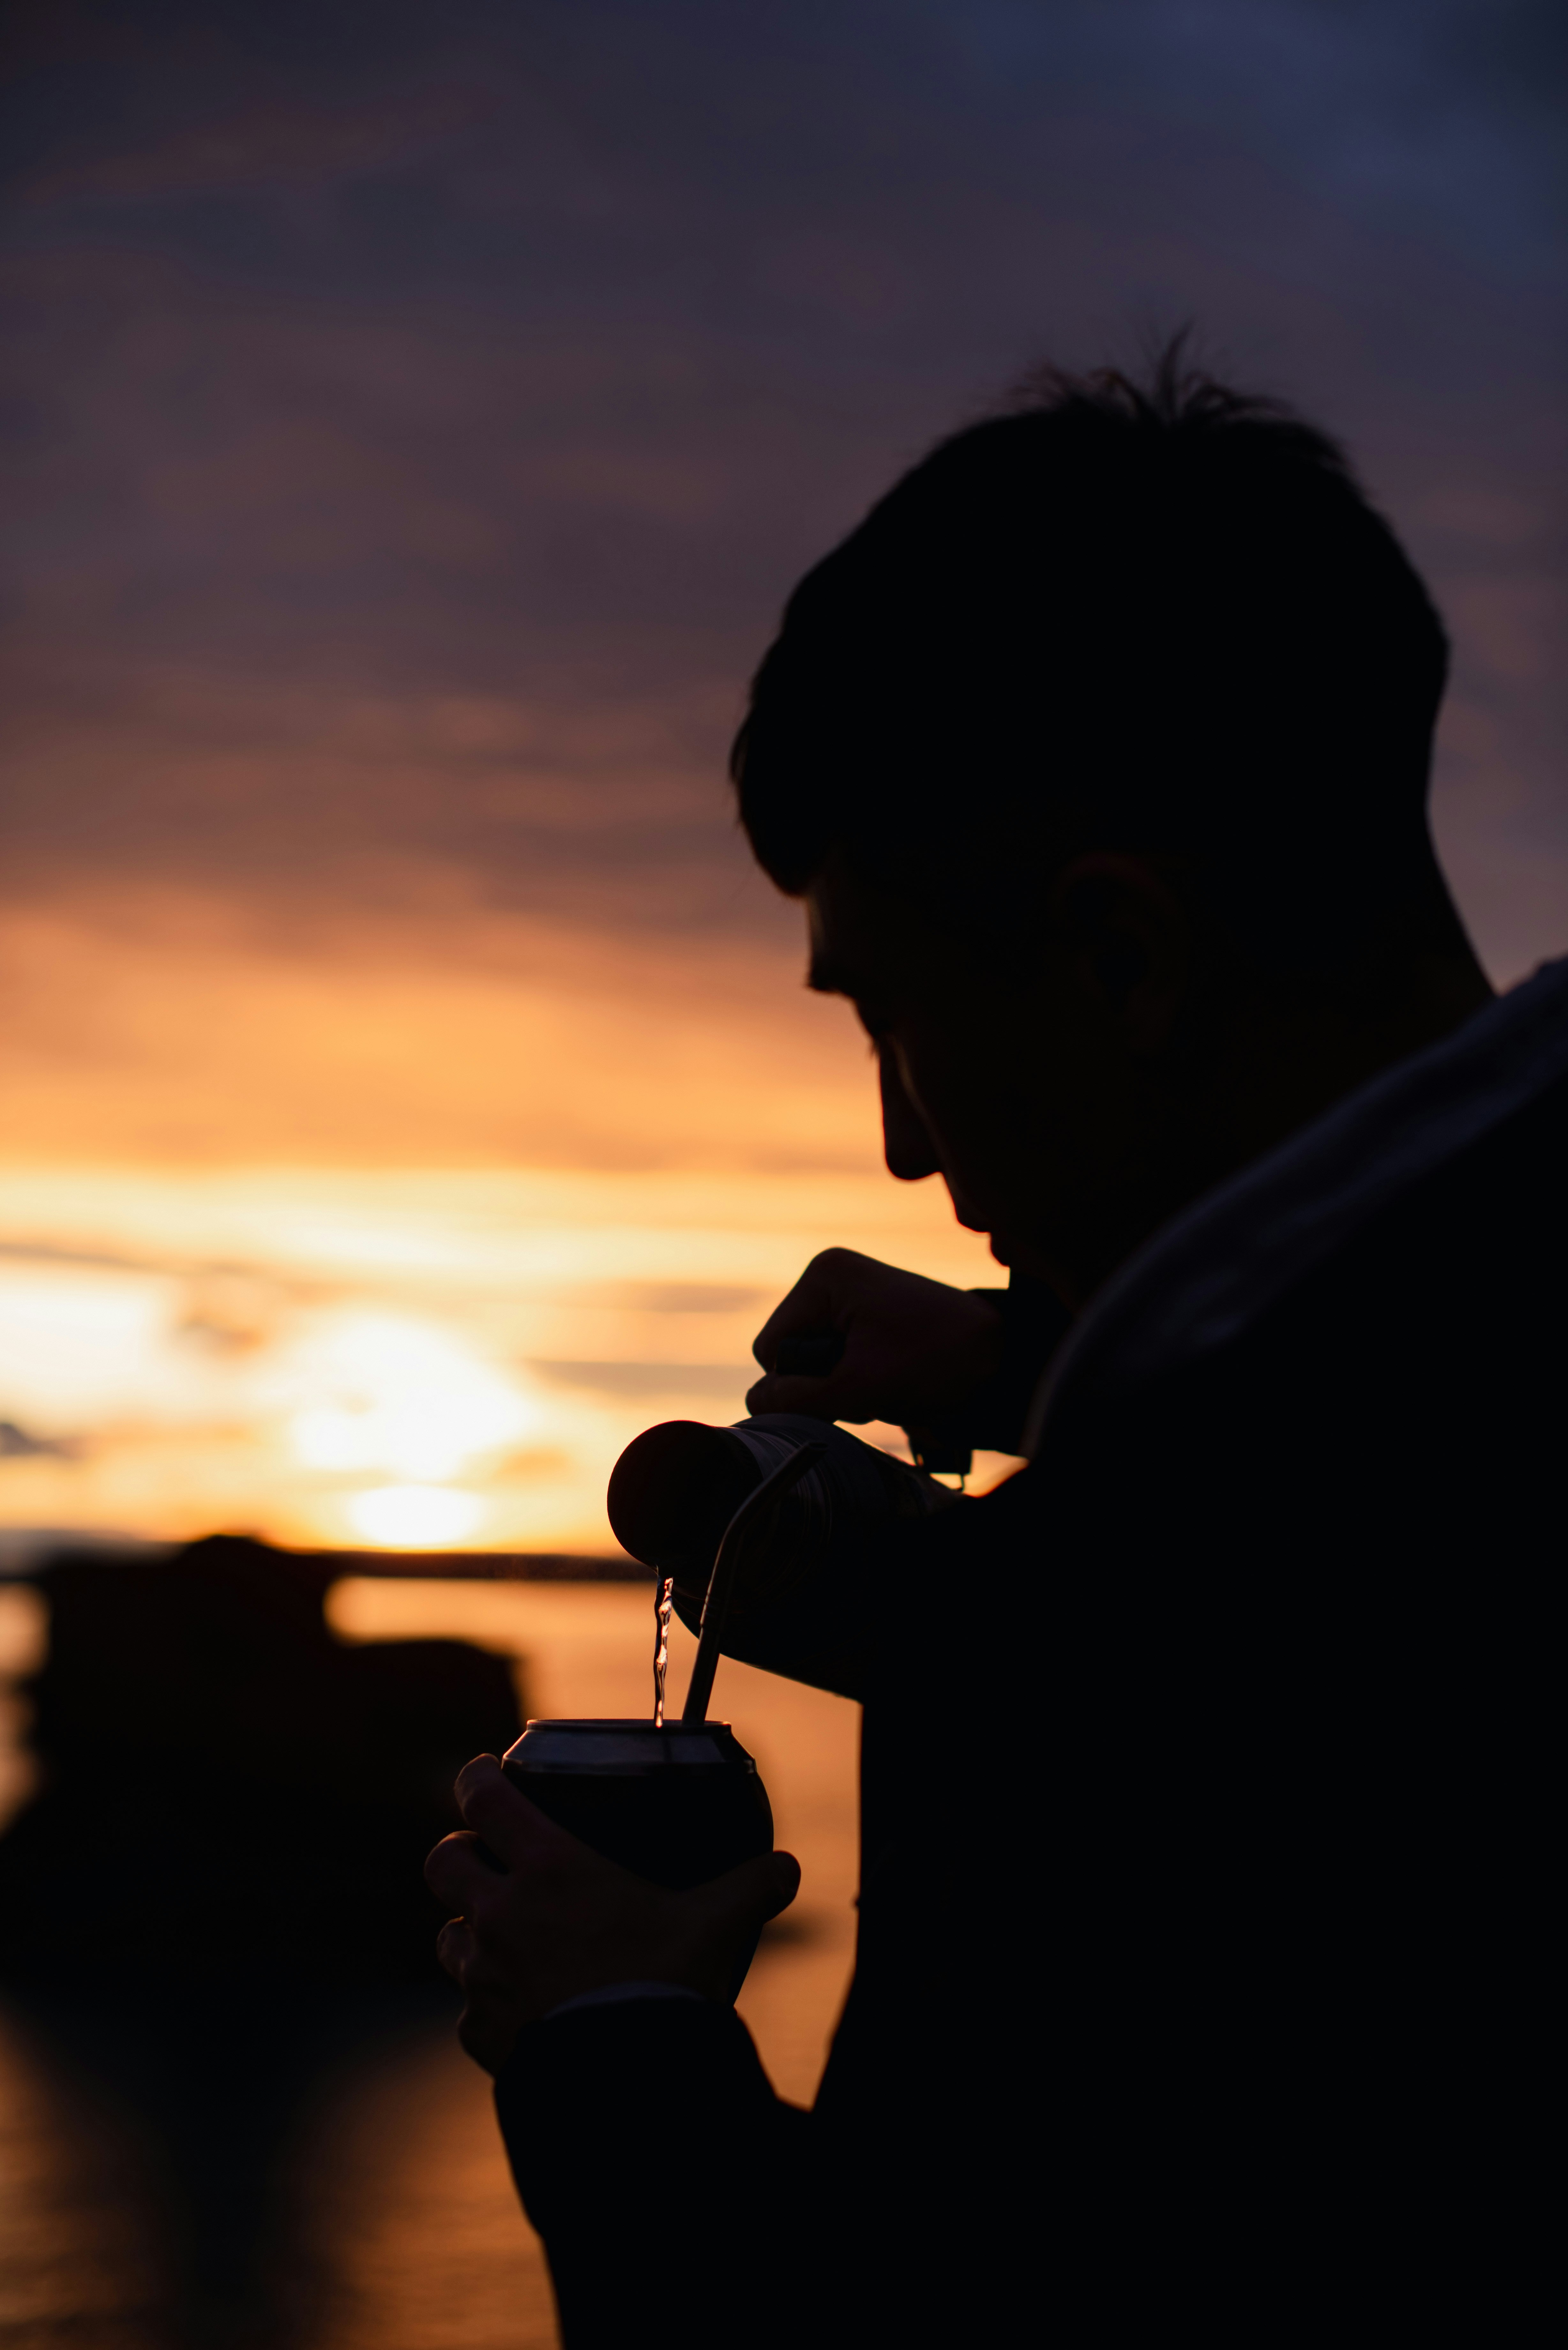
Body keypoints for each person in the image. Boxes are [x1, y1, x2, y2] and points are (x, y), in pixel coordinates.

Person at [425, 350, 1564, 2342]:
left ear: (1119, 963)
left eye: (889, 1019)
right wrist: (1054, 1374)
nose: (898, 1140)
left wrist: (610, 2037)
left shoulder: (1144, 1635)